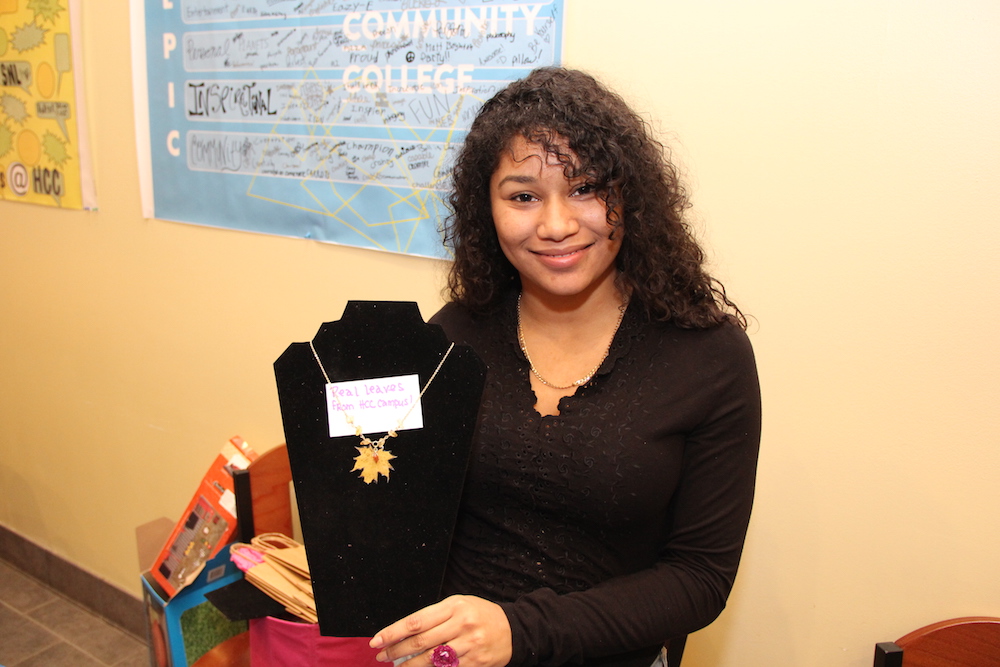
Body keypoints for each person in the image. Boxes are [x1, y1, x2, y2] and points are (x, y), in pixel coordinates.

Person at [369, 67, 761, 667]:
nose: (556, 226)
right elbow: (397, 503)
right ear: (486, 209)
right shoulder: (452, 335)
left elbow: (699, 577)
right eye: (523, 196)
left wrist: (518, 632)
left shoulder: (708, 356)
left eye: (584, 189)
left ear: (629, 196)